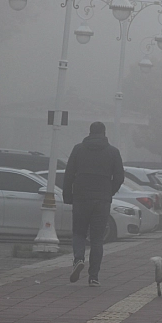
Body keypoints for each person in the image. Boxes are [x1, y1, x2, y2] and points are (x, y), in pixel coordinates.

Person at [63, 122, 124, 287]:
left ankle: (78, 259)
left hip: (81, 197)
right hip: (102, 199)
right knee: (97, 239)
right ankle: (94, 277)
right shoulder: (113, 152)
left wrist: (68, 196)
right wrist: (108, 191)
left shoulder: (78, 149)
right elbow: (119, 177)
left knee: (79, 232)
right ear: (104, 133)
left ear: (89, 132)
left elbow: (68, 174)